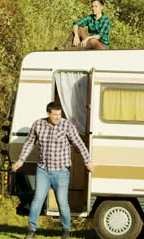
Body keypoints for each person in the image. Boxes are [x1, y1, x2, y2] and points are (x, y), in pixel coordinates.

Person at [12, 102, 94, 239]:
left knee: (62, 203)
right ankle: (31, 231)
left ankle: (66, 231)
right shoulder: (38, 124)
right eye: (55, 115)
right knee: (37, 200)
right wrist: (21, 160)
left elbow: (79, 144)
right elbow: (29, 143)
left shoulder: (67, 125)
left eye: (59, 114)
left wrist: (88, 162)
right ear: (48, 114)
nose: (58, 117)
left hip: (61, 171)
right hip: (43, 170)